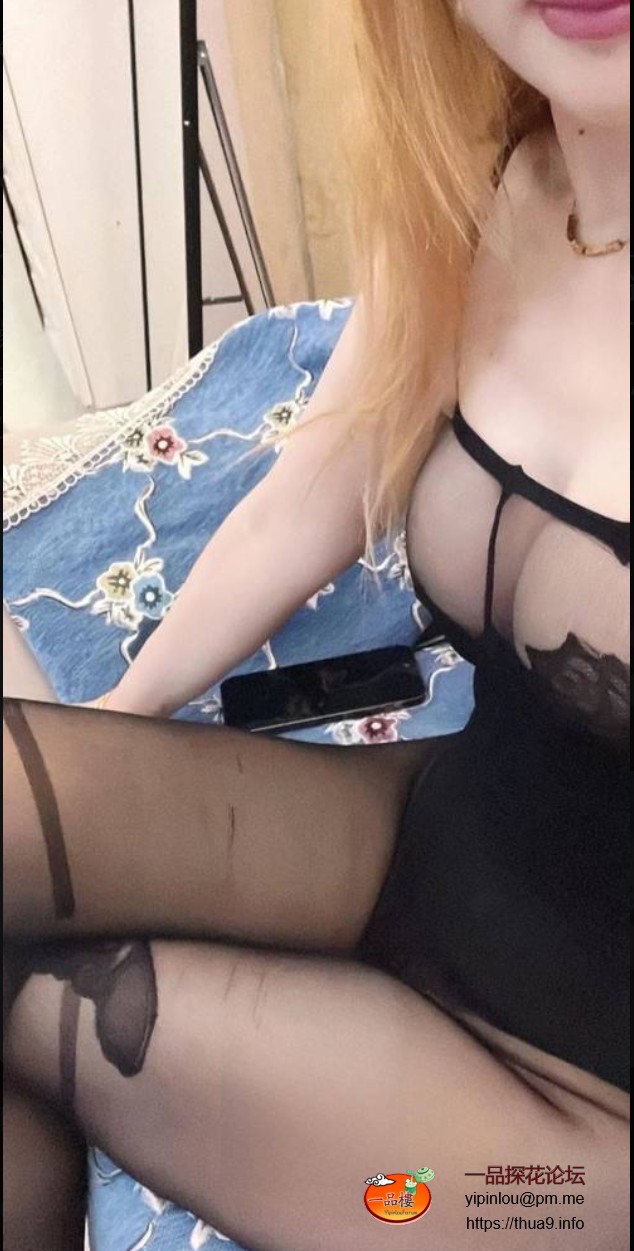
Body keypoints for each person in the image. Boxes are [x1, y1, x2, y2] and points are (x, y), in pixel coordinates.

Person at [3, 1, 629, 1248]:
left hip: (580, 1116)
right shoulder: (481, 184)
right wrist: (109, 742)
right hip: (435, 836)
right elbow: (320, 488)